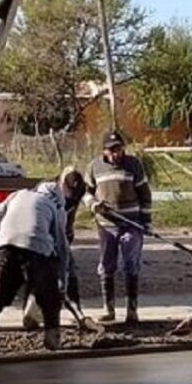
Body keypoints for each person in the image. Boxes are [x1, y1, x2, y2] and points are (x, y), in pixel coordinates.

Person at [0, 182, 70, 353]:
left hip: (5, 247)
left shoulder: (16, 195)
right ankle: (52, 338)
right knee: (50, 297)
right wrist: (62, 282)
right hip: (38, 250)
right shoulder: (53, 206)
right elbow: (61, 248)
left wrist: (5, 235)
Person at [83, 131, 152, 323]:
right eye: (111, 150)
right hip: (106, 225)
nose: (116, 154)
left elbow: (145, 195)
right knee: (107, 265)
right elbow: (86, 191)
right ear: (104, 151)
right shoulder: (94, 167)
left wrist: (146, 222)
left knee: (131, 265)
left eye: (119, 149)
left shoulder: (133, 165)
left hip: (132, 223)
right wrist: (93, 204)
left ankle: (132, 310)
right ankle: (109, 309)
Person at [23, 167, 99, 331]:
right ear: (61, 183)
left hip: (62, 234)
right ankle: (31, 310)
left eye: (75, 193)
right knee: (41, 273)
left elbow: (81, 202)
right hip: (40, 235)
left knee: (68, 273)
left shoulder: (77, 191)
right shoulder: (45, 191)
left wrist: (93, 205)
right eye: (69, 192)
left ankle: (78, 313)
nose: (71, 197)